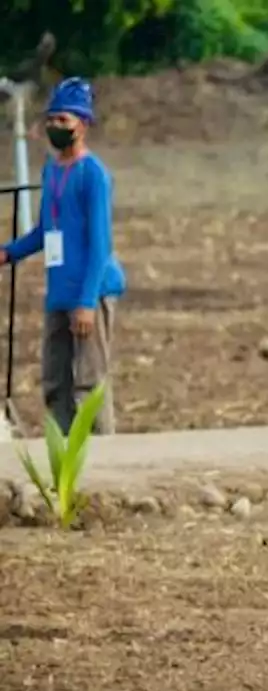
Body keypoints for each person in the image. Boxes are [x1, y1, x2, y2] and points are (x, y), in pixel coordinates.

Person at [0, 77, 125, 435]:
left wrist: (86, 302)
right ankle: (64, 453)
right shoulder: (52, 171)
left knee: (89, 380)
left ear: (82, 125)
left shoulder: (93, 175)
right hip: (60, 289)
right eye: (52, 119)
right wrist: (9, 253)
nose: (56, 126)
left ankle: (103, 454)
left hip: (91, 289)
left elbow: (100, 245)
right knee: (56, 380)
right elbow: (46, 231)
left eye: (64, 120)